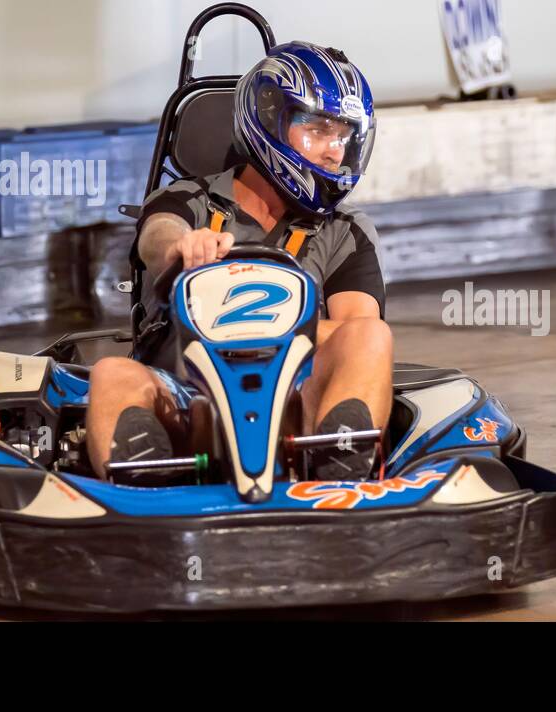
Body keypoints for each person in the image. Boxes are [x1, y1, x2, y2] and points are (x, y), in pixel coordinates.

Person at [85, 41, 390, 482]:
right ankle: (144, 493)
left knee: (371, 336)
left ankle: (338, 475)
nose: (333, 152)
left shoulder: (345, 230)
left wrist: (255, 322)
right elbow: (157, 236)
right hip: (188, 398)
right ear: (269, 120)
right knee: (112, 372)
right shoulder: (189, 200)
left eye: (342, 136)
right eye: (319, 130)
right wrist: (181, 248)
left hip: (294, 403)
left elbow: (356, 329)